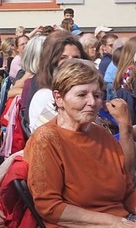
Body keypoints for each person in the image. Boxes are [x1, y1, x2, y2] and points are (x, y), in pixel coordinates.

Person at [25, 59, 136, 227]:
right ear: (59, 98)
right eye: (82, 94)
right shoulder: (47, 139)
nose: (92, 102)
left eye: (97, 95)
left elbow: (127, 190)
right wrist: (114, 222)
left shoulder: (101, 134)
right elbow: (49, 207)